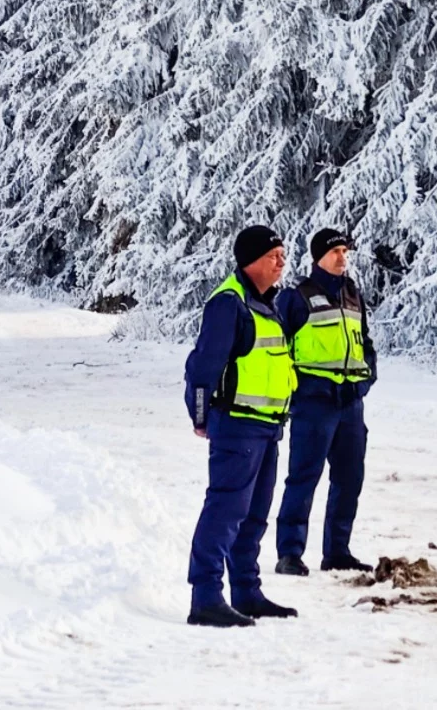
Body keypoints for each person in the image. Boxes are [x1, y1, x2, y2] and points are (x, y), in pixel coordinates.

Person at [183, 226, 301, 628]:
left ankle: (247, 592)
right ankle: (205, 597)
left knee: (254, 514)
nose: (281, 262)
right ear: (250, 261)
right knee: (226, 510)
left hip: (268, 428)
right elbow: (202, 367)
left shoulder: (270, 304)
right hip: (237, 427)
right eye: (273, 256)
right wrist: (200, 416)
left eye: (283, 255)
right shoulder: (229, 303)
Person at [273, 228, 376, 576]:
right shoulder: (297, 297)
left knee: (350, 478)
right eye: (335, 252)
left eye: (345, 251)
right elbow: (278, 350)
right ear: (319, 256)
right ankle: (289, 552)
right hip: (314, 405)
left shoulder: (352, 295)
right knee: (303, 477)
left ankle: (337, 551)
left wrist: (366, 381)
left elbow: (365, 343)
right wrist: (295, 393)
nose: (342, 257)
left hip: (350, 404)